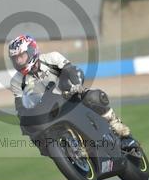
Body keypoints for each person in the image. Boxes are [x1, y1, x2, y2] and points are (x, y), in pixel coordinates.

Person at [8, 34, 138, 152]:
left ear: (31, 51)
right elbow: (20, 105)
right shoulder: (16, 81)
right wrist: (24, 118)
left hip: (68, 96)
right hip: (47, 111)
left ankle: (117, 126)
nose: (18, 61)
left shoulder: (52, 57)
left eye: (21, 56)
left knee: (94, 97)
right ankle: (58, 151)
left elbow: (71, 70)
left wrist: (76, 85)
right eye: (15, 59)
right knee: (28, 127)